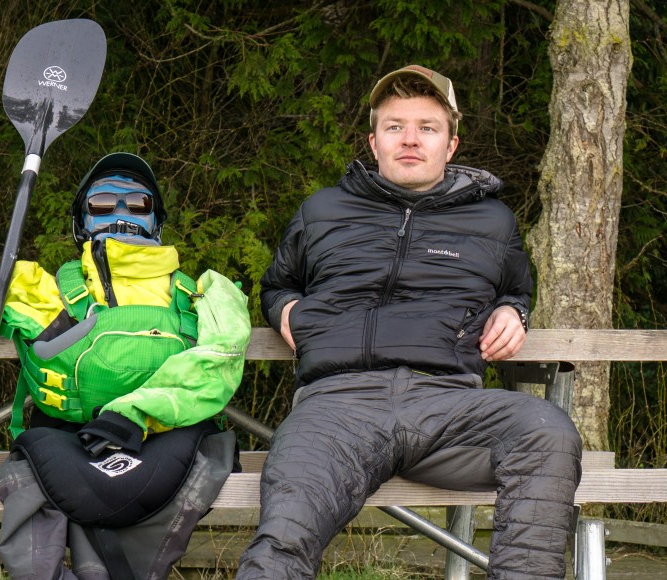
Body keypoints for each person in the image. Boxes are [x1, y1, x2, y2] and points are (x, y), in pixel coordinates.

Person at [237, 65, 582, 579]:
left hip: (448, 407)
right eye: (395, 126)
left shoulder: (493, 221)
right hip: (337, 409)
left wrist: (515, 310)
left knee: (546, 429)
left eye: (427, 127)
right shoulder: (322, 210)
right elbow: (278, 283)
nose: (410, 140)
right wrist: (284, 307)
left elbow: (513, 287)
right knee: (285, 540)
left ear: (451, 143)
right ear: (373, 142)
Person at [0, 152, 251, 579]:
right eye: (102, 204)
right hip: (64, 438)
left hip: (171, 438)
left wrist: (136, 413)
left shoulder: (202, 293)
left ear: (156, 221)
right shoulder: (43, 291)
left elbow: (220, 361)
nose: (121, 213)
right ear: (82, 221)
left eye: (137, 204)